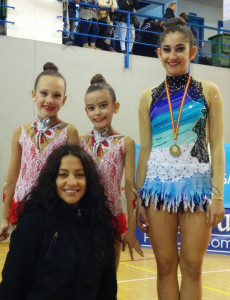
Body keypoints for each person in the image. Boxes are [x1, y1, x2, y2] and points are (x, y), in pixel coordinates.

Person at [136, 17, 225, 300]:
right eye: (166, 49)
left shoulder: (208, 91)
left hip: (197, 189)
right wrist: (139, 198)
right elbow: (146, 149)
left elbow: (217, 146)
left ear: (193, 51)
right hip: (158, 189)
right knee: (164, 265)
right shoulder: (148, 97)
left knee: (193, 266)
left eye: (179, 49)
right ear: (158, 53)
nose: (172, 56)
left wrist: (218, 196)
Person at [0, 145, 117, 299]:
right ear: (52, 179)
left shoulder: (100, 222)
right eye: (63, 174)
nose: (72, 182)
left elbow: (107, 287)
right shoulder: (33, 221)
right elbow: (12, 283)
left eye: (79, 175)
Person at [0, 62, 80, 241]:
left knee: (51, 265)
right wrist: (5, 217)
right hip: (23, 209)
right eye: (44, 93)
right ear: (33, 95)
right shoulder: (20, 132)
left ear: (64, 100)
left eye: (56, 95)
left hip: (57, 210)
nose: (50, 100)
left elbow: (74, 178)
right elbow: (12, 177)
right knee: (23, 263)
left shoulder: (69, 132)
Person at [81, 74, 143, 270]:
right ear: (86, 111)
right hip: (81, 217)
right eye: (91, 108)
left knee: (108, 279)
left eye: (103, 105)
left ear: (115, 107)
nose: (97, 112)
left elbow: (130, 187)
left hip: (112, 218)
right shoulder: (79, 141)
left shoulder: (126, 143)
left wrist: (131, 229)